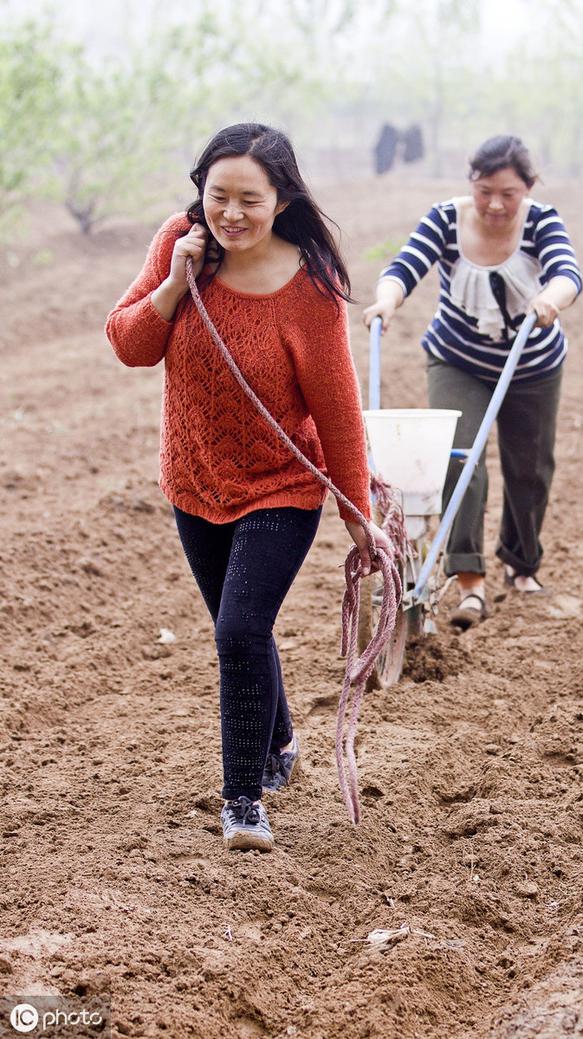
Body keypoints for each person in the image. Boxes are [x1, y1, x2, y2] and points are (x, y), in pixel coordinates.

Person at [106, 122, 389, 852]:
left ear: (283, 199)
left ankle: (244, 801)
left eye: (249, 201)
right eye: (217, 197)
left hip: (281, 483)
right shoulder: (181, 243)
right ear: (200, 195)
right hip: (194, 477)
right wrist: (174, 282)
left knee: (238, 629)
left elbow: (335, 407)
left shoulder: (311, 291)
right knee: (244, 630)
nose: (231, 214)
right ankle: (279, 740)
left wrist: (357, 510)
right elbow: (130, 342)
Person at [363, 134, 582, 629]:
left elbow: (568, 272)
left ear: (528, 187)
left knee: (530, 468)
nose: (496, 204)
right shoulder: (446, 218)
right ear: (471, 184)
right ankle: (469, 583)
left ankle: (521, 565)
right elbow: (405, 266)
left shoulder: (542, 222)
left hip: (533, 363)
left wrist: (552, 297)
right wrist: (387, 300)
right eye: (485, 191)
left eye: (508, 193)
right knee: (461, 458)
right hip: (457, 359)